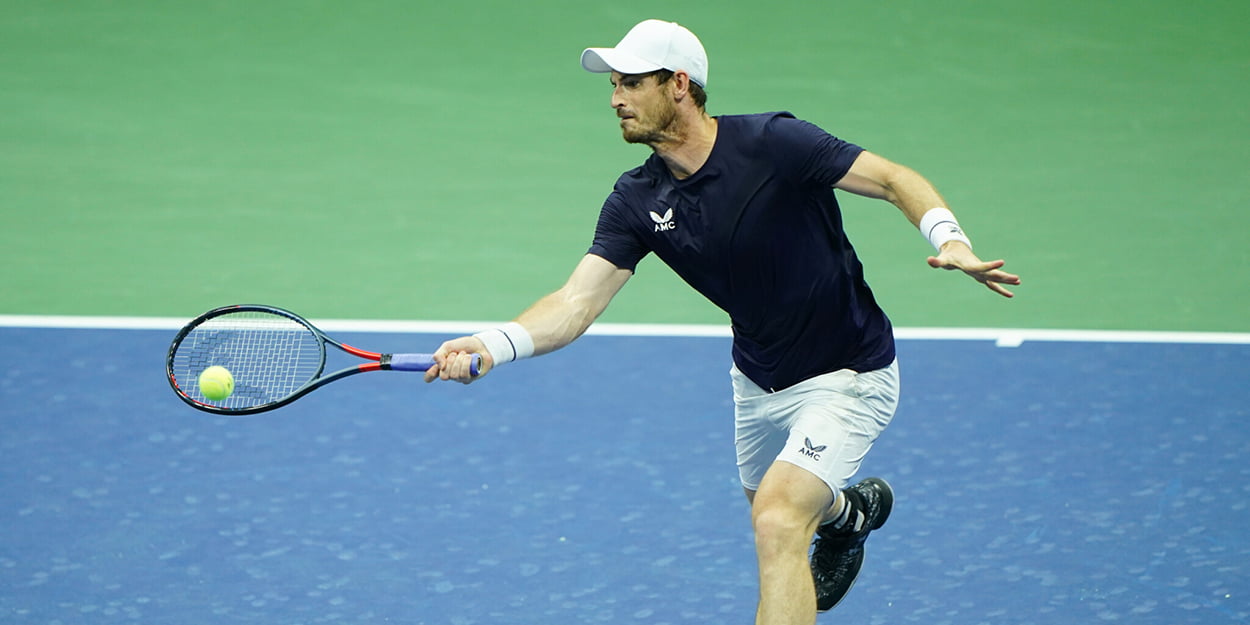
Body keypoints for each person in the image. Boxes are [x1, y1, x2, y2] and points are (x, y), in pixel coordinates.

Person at [424, 19, 1020, 625]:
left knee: (778, 520)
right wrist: (493, 344)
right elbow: (577, 302)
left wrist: (952, 239)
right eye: (613, 84)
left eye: (630, 83)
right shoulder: (636, 198)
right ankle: (850, 517)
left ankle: (828, 518)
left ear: (679, 84)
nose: (614, 98)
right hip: (757, 383)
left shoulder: (774, 144)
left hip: (849, 371)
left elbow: (894, 179)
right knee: (780, 517)